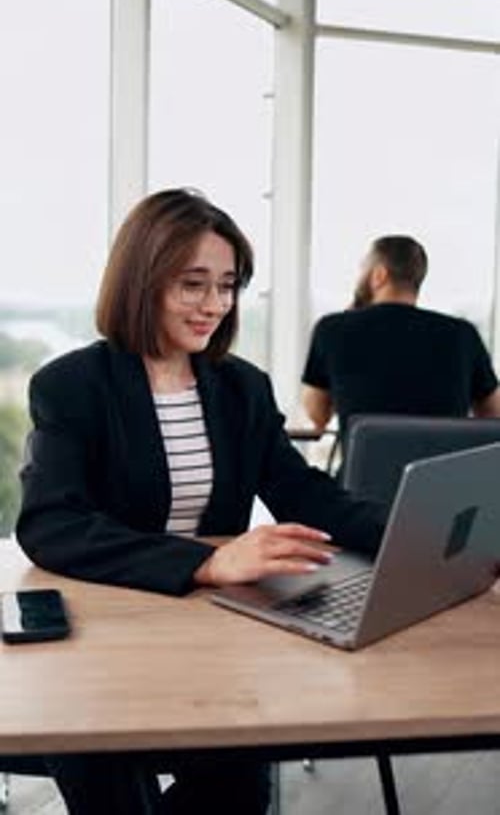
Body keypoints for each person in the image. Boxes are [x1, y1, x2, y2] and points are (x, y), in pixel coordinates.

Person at [16, 188, 388, 815]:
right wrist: (203, 562)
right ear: (144, 278)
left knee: (239, 787)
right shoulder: (73, 385)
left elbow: (308, 494)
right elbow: (52, 522)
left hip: (209, 639)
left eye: (228, 285)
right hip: (99, 636)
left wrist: (411, 535)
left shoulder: (241, 388)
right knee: (109, 780)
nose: (215, 304)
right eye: (194, 284)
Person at [301, 235, 500, 442]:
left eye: (363, 270)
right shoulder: (463, 335)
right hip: (443, 472)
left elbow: (317, 414)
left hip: (364, 472)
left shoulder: (332, 329)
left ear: (379, 275)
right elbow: (493, 414)